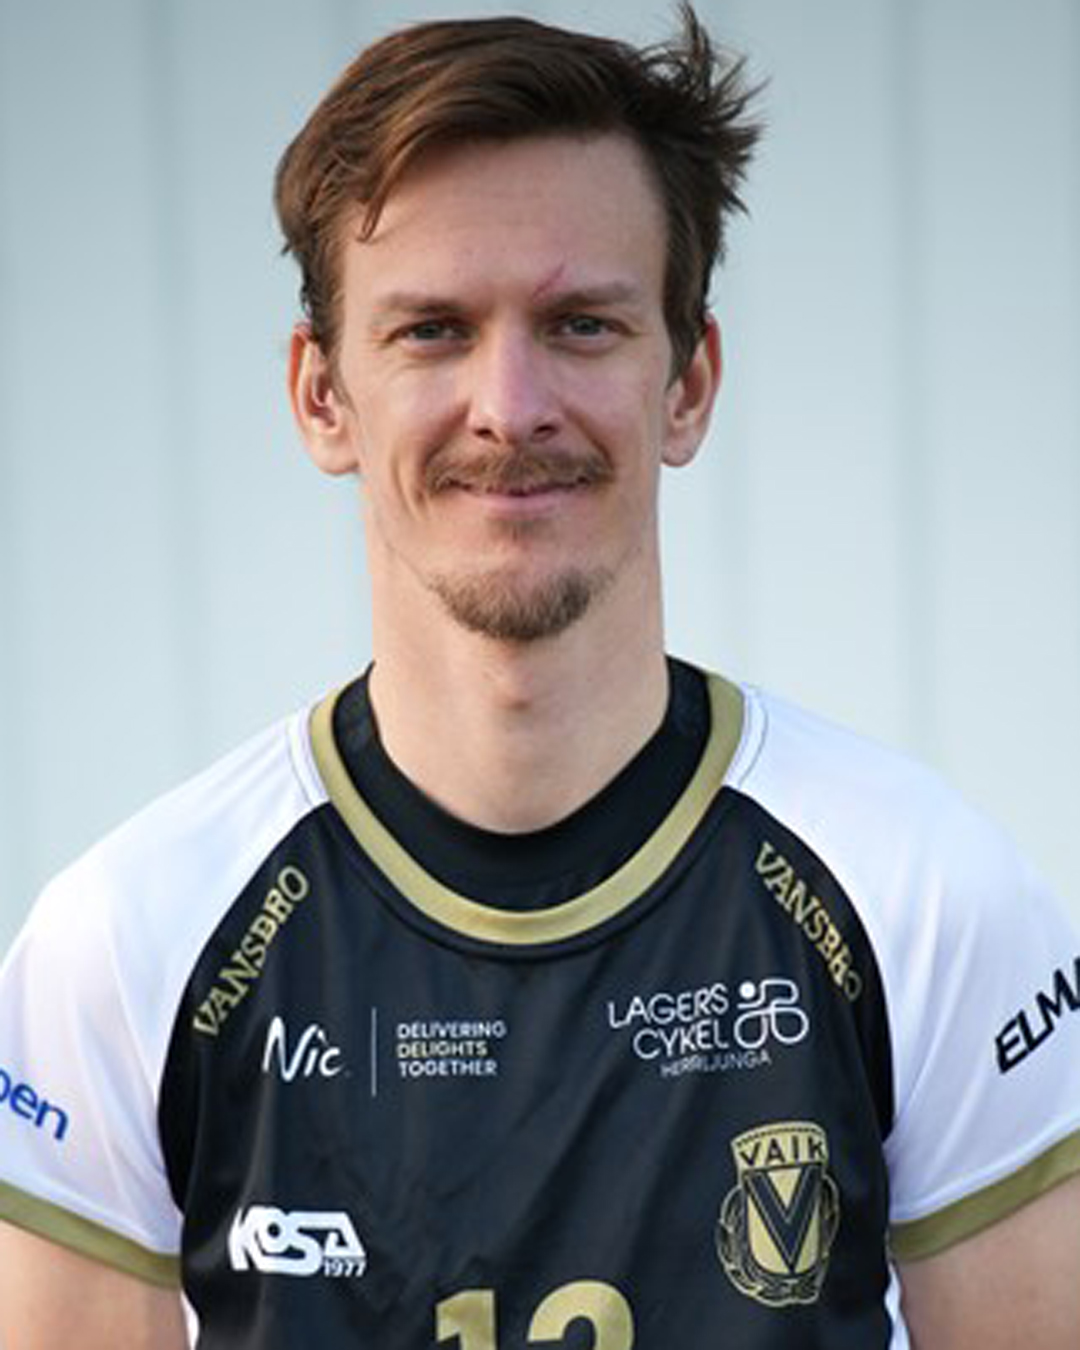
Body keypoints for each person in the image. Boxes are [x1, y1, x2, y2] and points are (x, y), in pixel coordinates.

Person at [1, 7, 1078, 1348]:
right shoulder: (125, 943)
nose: (510, 406)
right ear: (322, 397)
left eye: (580, 324)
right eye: (432, 331)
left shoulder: (932, 898)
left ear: (688, 384)